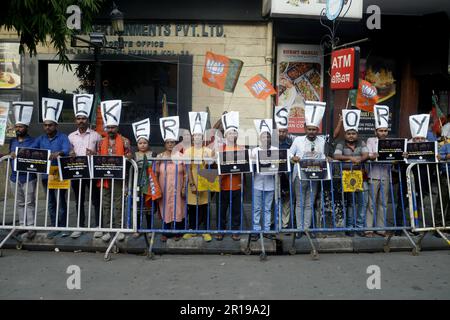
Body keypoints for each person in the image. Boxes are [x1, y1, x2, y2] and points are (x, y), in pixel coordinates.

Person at [34, 98, 71, 239]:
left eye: (50, 125)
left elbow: (66, 150)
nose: (47, 127)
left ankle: (62, 227)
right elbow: (32, 150)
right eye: (45, 125)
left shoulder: (62, 137)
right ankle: (53, 225)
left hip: (60, 173)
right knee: (50, 201)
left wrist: (59, 153)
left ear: (56, 125)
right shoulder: (41, 139)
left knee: (61, 200)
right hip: (46, 175)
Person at [97, 100, 133, 242]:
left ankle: (119, 228)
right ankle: (107, 229)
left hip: (119, 177)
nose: (110, 130)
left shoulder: (125, 141)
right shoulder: (101, 142)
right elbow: (98, 158)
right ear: (105, 128)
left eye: (113, 127)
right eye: (108, 127)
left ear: (117, 127)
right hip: (105, 178)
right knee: (105, 204)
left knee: (118, 204)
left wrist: (129, 156)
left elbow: (131, 155)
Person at [289, 102, 327, 239]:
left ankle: (306, 228)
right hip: (300, 176)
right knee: (300, 202)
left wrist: (326, 159)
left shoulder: (322, 141)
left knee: (309, 203)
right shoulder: (298, 140)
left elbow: (322, 156)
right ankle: (299, 229)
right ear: (305, 128)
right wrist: (294, 157)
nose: (312, 132)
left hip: (315, 176)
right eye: (309, 129)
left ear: (317, 130)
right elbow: (289, 153)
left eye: (314, 129)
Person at [68, 94, 102, 239]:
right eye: (78, 118)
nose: (81, 121)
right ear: (75, 120)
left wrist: (94, 153)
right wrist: (70, 153)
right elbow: (68, 152)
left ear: (88, 120)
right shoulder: (70, 136)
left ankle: (98, 226)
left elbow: (101, 153)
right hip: (77, 172)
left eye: (83, 118)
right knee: (79, 200)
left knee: (96, 199)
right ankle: (80, 226)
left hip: (92, 172)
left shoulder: (96, 136)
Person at [333, 109, 369, 236]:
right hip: (347, 177)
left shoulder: (361, 142)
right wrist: (350, 158)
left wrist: (360, 159)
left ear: (357, 134)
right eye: (349, 133)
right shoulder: (340, 143)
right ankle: (349, 227)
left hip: (362, 176)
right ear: (345, 134)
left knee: (361, 203)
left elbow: (366, 154)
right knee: (350, 204)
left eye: (354, 133)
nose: (351, 135)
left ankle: (359, 227)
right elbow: (336, 156)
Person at [183, 112, 214, 242]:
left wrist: (212, 157)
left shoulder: (207, 150)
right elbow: (188, 169)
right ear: (192, 137)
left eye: (200, 136)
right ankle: (192, 229)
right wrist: (192, 184)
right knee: (192, 207)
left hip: (205, 181)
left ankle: (205, 230)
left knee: (204, 206)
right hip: (193, 180)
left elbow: (211, 165)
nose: (197, 138)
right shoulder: (188, 151)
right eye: (195, 135)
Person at [8, 102, 36, 240]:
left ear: (26, 127)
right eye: (17, 126)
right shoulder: (12, 141)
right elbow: (10, 155)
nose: (18, 128)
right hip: (14, 176)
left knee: (29, 202)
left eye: (21, 126)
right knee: (19, 203)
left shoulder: (33, 141)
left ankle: (31, 227)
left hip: (28, 176)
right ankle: (22, 225)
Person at [156, 116, 186, 242]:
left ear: (175, 144)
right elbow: (155, 173)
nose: (170, 144)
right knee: (165, 207)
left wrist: (184, 186)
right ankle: (166, 231)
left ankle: (179, 231)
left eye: (172, 142)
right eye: (168, 142)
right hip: (164, 188)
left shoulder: (181, 156)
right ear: (165, 144)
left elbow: (186, 173)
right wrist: (157, 188)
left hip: (178, 187)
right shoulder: (159, 157)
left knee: (179, 208)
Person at [216, 111, 243, 241]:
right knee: (222, 209)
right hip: (223, 184)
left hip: (236, 184)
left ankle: (235, 230)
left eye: (234, 132)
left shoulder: (241, 149)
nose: (232, 135)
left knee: (236, 210)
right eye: (230, 133)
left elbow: (245, 165)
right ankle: (221, 230)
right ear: (226, 135)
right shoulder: (220, 149)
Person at [365, 105, 392, 237]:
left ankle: (381, 229)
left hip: (385, 176)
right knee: (371, 203)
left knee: (383, 203)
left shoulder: (390, 143)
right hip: (373, 175)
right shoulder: (371, 140)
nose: (383, 133)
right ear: (376, 131)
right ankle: (368, 229)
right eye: (380, 130)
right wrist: (373, 155)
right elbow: (369, 155)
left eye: (385, 131)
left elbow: (393, 158)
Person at [132, 118, 161, 238]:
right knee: (138, 208)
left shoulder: (153, 154)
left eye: (144, 143)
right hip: (137, 185)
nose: (142, 145)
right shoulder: (135, 155)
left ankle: (149, 229)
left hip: (149, 185)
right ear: (137, 144)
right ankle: (137, 229)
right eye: (140, 143)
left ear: (148, 143)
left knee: (149, 208)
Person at [250, 120, 277, 241]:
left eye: (268, 136)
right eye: (263, 136)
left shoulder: (275, 149)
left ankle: (266, 229)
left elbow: (279, 164)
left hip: (270, 184)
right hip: (258, 183)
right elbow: (251, 166)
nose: (266, 138)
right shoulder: (254, 151)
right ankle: (256, 229)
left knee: (267, 208)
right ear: (260, 138)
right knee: (257, 208)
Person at [274, 106, 295, 230]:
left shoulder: (291, 142)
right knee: (274, 199)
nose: (281, 133)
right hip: (275, 174)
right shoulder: (271, 141)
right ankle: (275, 223)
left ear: (287, 131)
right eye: (279, 131)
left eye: (284, 131)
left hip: (287, 174)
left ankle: (285, 224)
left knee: (286, 200)